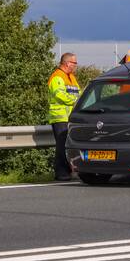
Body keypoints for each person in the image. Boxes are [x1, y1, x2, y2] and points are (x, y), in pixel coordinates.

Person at [48, 52, 80, 181]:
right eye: (74, 63)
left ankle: (69, 171)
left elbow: (79, 93)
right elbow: (60, 95)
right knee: (61, 146)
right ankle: (61, 173)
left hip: (71, 117)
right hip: (60, 117)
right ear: (67, 63)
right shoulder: (57, 77)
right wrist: (75, 101)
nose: (76, 66)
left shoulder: (71, 77)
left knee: (68, 146)